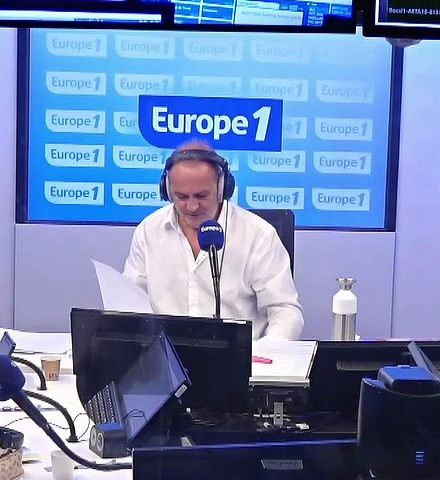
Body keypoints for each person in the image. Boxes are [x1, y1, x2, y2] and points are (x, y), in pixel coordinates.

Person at [123, 140, 304, 340]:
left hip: (242, 364)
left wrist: (263, 358)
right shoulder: (148, 231)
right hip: (166, 363)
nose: (192, 206)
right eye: (182, 197)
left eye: (201, 196)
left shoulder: (259, 236)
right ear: (167, 190)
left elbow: (286, 312)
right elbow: (129, 305)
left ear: (222, 189)